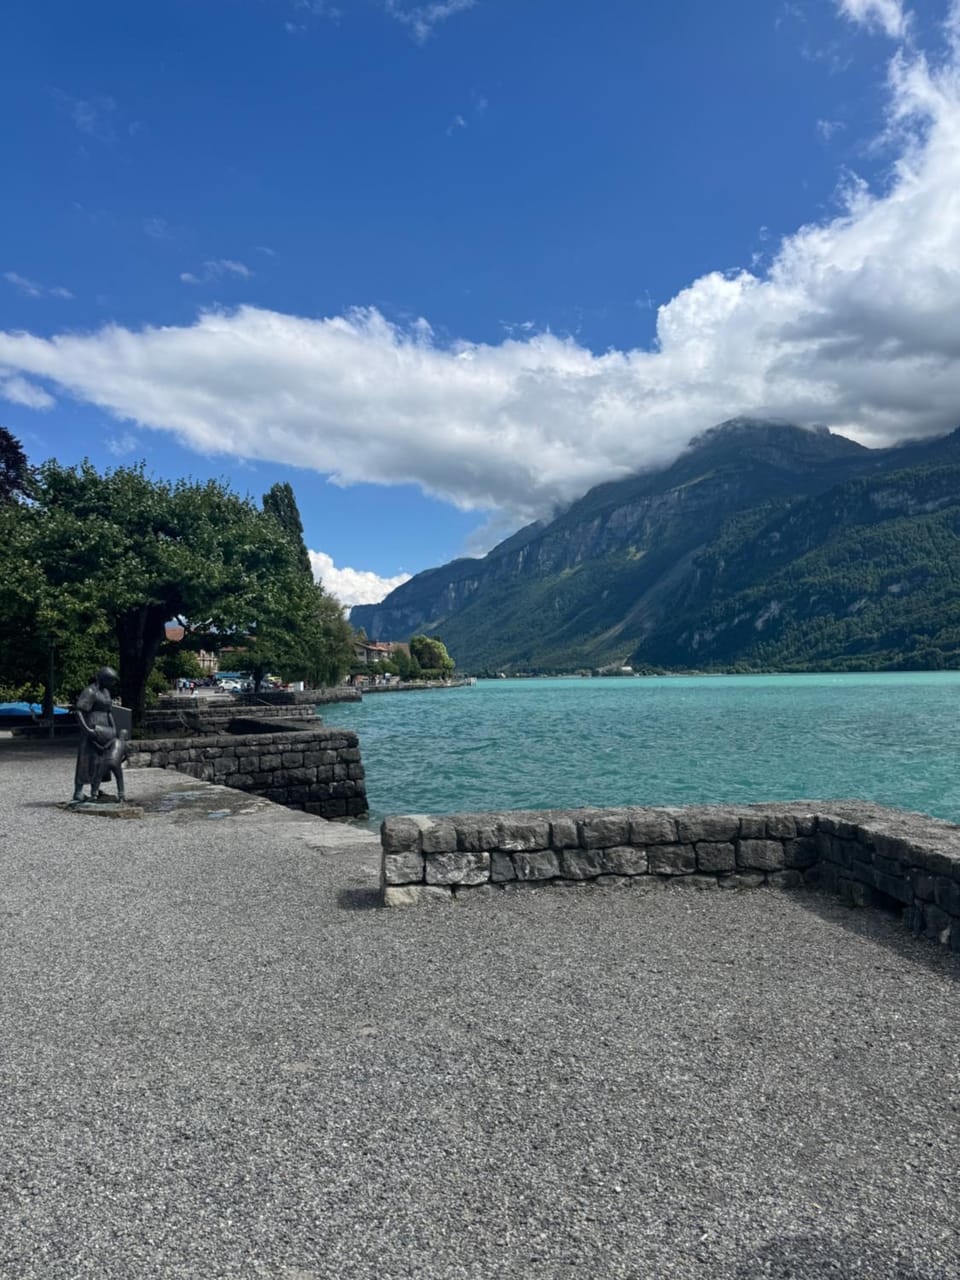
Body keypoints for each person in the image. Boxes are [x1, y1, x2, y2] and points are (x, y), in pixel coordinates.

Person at [72, 667, 128, 803]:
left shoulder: (106, 692)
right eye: (110, 681)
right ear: (103, 679)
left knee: (99, 760)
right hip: (92, 727)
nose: (112, 684)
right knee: (86, 759)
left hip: (105, 730)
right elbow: (79, 711)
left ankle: (94, 790)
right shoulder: (90, 691)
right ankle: (78, 791)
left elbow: (109, 712)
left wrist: (113, 729)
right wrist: (86, 729)